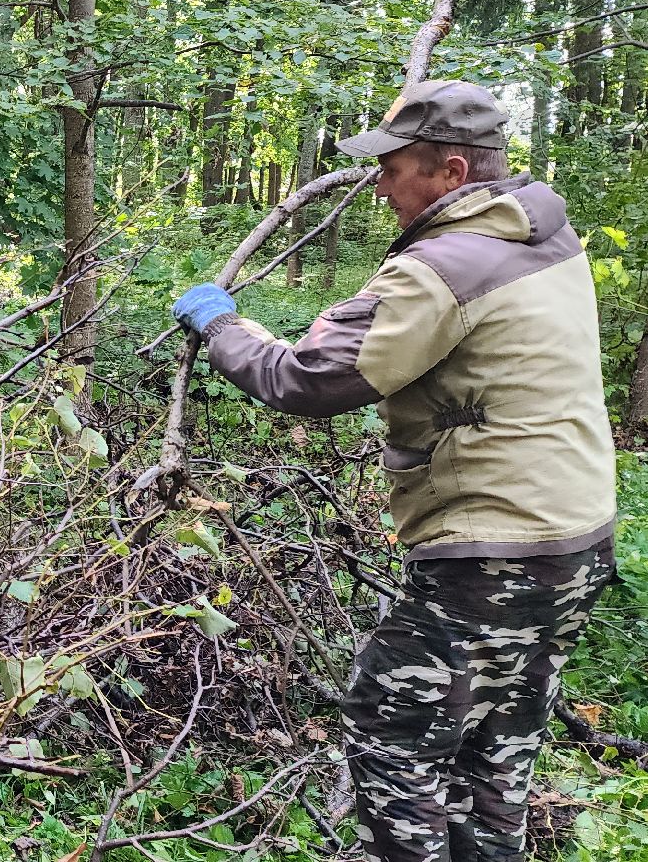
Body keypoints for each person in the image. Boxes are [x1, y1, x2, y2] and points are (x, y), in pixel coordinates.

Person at [169, 79, 615, 862]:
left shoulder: (444, 268)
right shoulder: (548, 238)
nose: (378, 185)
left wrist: (223, 326)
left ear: (450, 172)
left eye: (394, 167)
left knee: (393, 741)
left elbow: (308, 379)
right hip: (574, 543)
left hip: (490, 553)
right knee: (495, 753)